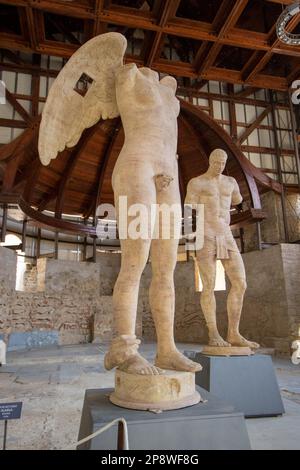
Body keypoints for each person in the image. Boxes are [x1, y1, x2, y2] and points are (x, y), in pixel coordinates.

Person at [104, 64, 202, 375]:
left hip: (168, 172)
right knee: (134, 261)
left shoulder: (169, 91)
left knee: (166, 267)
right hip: (137, 164)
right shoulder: (130, 74)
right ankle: (123, 348)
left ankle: (167, 349)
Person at [185, 148, 259, 349]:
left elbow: (237, 200)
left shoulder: (231, 183)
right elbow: (188, 208)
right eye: (216, 162)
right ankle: (214, 334)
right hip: (205, 234)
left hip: (225, 234)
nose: (219, 166)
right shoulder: (197, 182)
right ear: (210, 161)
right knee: (208, 285)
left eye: (222, 163)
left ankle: (233, 333)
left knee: (241, 282)